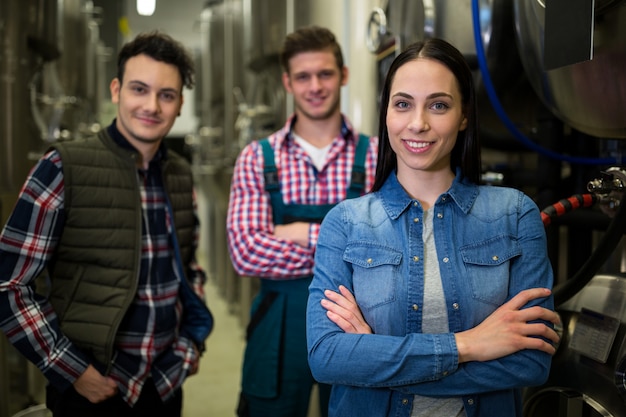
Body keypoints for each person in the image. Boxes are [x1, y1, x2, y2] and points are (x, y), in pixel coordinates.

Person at [306, 38, 561, 417]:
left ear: (463, 116)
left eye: (438, 105)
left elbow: (529, 364)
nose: (418, 123)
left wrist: (374, 359)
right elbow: (327, 358)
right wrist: (469, 345)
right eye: (403, 103)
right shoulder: (346, 223)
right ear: (387, 113)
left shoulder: (515, 214)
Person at [0, 31, 213, 417]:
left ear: (181, 103)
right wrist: (72, 370)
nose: (151, 105)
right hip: (91, 388)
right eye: (139, 89)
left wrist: (189, 348)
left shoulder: (180, 174)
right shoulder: (63, 167)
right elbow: (9, 283)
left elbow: (190, 267)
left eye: (167, 94)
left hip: (164, 384)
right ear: (116, 90)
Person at [226, 25, 378, 417]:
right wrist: (344, 249)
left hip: (359, 320)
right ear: (287, 83)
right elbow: (245, 253)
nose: (315, 86)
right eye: (303, 77)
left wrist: (301, 234)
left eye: (325, 74)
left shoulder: (377, 156)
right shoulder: (258, 158)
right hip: (278, 322)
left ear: (343, 75)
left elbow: (389, 248)